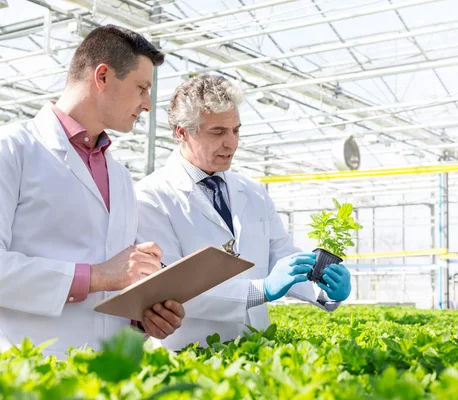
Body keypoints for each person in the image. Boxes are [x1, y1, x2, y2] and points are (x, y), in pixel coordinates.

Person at [0, 25, 185, 358]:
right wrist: (97, 276)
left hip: (108, 375)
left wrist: (143, 315)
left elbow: (114, 281)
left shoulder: (121, 176)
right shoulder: (12, 149)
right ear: (103, 76)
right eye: (142, 88)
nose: (148, 105)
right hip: (32, 374)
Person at [135, 75, 352, 351]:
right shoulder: (152, 196)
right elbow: (170, 291)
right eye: (218, 132)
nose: (232, 143)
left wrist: (324, 289)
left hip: (256, 350)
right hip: (191, 357)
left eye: (236, 130)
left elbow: (283, 256)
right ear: (182, 132)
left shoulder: (253, 192)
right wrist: (260, 290)